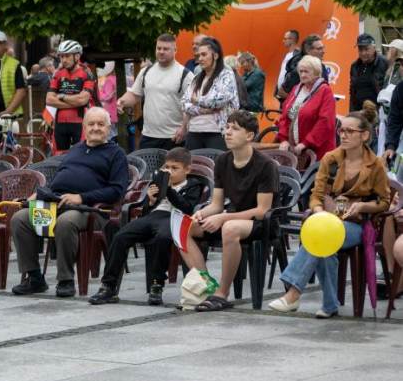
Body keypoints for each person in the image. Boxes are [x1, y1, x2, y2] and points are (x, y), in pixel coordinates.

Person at [269, 103, 390, 318]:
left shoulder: (376, 164)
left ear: (364, 136)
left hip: (359, 225)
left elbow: (384, 202)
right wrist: (318, 211)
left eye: (349, 131)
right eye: (341, 130)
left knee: (323, 235)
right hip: (328, 219)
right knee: (324, 238)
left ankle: (293, 292)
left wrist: (363, 206)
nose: (343, 135)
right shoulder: (331, 159)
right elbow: (315, 196)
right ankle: (330, 304)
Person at [10, 107, 128, 298]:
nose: (96, 128)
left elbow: (117, 191)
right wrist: (40, 195)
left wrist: (82, 197)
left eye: (100, 124)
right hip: (58, 204)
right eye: (91, 124)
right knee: (20, 218)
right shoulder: (77, 149)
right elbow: (59, 181)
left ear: (108, 128)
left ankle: (65, 280)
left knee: (66, 222)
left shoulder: (116, 154)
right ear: (84, 127)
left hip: (92, 210)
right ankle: (34, 278)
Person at [179, 111, 279, 311]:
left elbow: (262, 210)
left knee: (230, 228)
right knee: (183, 226)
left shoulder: (265, 165)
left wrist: (223, 217)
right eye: (227, 128)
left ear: (249, 136)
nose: (227, 133)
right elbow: (216, 204)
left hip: (260, 222)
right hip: (232, 218)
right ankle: (205, 284)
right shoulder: (224, 161)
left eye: (235, 129)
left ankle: (222, 294)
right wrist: (202, 214)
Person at [89, 147, 203, 305]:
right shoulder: (158, 182)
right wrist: (150, 201)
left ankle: (157, 285)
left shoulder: (194, 185)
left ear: (187, 169)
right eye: (167, 167)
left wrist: (168, 189)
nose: (169, 171)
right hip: (154, 216)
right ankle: (108, 286)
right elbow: (146, 210)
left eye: (175, 168)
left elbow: (187, 207)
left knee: (163, 237)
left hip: (174, 218)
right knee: (120, 236)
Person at [119, 34, 194, 151]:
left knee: (172, 170)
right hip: (148, 135)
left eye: (166, 49)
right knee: (147, 170)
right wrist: (123, 101)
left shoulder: (185, 75)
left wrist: (184, 128)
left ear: (175, 50)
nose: (161, 52)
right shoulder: (145, 72)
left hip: (174, 137)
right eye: (159, 48)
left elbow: (192, 105)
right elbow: (134, 94)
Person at [180, 38, 239, 151]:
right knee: (195, 167)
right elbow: (183, 103)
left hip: (217, 133)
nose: (200, 59)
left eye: (204, 55)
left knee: (216, 167)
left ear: (215, 56)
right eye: (199, 55)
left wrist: (196, 100)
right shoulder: (196, 78)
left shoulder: (226, 76)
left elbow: (218, 101)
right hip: (194, 132)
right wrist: (204, 110)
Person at [275, 55, 337, 161]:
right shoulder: (296, 89)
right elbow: (285, 116)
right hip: (295, 151)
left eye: (306, 72)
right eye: (300, 71)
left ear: (317, 73)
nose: (302, 75)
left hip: (316, 152)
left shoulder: (325, 91)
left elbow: (325, 122)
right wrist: (284, 139)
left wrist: (306, 142)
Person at [45, 40, 98, 151]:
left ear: (77, 56)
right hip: (60, 124)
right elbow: (49, 100)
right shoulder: (58, 74)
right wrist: (75, 102)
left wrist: (62, 96)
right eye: (62, 56)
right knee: (58, 159)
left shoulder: (87, 73)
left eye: (67, 56)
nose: (64, 60)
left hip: (80, 123)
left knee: (82, 157)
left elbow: (83, 100)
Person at [279, 34, 328, 100]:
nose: (323, 51)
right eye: (319, 49)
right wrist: (300, 102)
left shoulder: (322, 67)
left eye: (323, 48)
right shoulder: (297, 71)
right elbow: (281, 92)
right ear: (308, 51)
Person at [349, 33, 388, 113]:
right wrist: (352, 113)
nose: (363, 53)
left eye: (366, 49)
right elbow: (352, 91)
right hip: (358, 113)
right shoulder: (355, 66)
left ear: (374, 48)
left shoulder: (384, 63)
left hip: (377, 115)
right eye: (360, 50)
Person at [275, 30, 299, 100]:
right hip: (282, 95)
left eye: (285, 39)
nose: (283, 41)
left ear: (292, 40)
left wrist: (285, 89)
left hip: (288, 94)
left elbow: (294, 75)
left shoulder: (298, 55)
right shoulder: (287, 54)